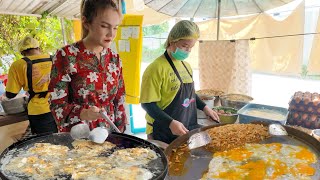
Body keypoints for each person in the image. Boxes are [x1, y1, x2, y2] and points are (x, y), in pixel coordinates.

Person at [48, 0, 127, 133]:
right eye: (104, 26)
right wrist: (83, 113)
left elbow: (119, 101)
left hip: (110, 135)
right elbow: (57, 105)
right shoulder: (67, 55)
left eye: (115, 27)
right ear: (86, 22)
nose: (111, 34)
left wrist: (122, 136)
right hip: (79, 136)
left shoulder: (114, 59)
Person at [140, 20, 220, 144]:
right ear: (172, 41)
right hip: (162, 130)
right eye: (184, 46)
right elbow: (147, 104)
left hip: (187, 125)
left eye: (190, 47)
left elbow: (190, 94)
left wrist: (205, 108)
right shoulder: (155, 68)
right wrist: (170, 123)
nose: (187, 51)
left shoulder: (186, 66)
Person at [5, 36, 58, 134]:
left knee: (46, 145)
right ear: (38, 48)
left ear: (22, 53)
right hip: (61, 108)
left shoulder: (18, 65)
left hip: (40, 111)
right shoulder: (55, 59)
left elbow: (10, 94)